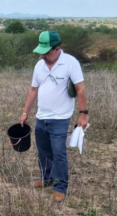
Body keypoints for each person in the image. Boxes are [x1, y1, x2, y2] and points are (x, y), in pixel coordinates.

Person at [19, 30, 88, 201]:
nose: (42, 56)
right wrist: (25, 112)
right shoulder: (39, 65)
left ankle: (61, 186)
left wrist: (83, 114)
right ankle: (47, 179)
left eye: (46, 52)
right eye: (41, 52)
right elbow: (33, 89)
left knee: (58, 152)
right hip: (41, 117)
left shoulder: (70, 63)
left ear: (57, 49)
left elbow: (80, 89)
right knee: (43, 151)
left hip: (60, 118)